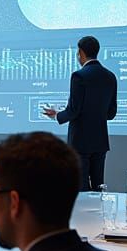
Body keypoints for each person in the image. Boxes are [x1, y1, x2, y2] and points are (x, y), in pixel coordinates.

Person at [42, 35, 117, 190]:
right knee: (98, 187)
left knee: (81, 188)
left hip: (80, 142)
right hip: (100, 141)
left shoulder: (79, 76)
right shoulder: (110, 76)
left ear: (81, 53)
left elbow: (74, 110)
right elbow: (111, 113)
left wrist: (56, 115)